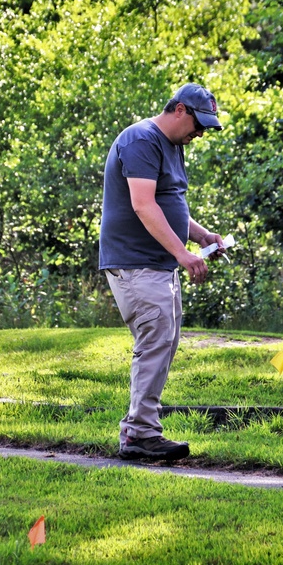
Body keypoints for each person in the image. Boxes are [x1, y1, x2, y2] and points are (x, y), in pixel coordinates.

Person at [99, 82, 226, 461]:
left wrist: (201, 235)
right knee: (154, 343)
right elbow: (143, 205)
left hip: (158, 265)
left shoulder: (171, 146)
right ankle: (139, 435)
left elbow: (169, 202)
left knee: (163, 344)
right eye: (198, 124)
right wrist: (184, 255)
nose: (200, 133)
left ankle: (143, 431)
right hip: (136, 263)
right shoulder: (141, 139)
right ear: (179, 110)